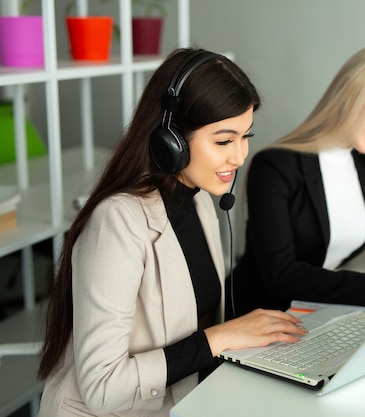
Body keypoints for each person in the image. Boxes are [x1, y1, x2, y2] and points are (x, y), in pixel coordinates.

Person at [36, 48, 307, 417]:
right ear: (171, 140)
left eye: (245, 136)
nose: (240, 156)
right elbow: (103, 389)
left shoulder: (198, 201)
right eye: (224, 141)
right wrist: (221, 338)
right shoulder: (117, 222)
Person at [229, 44, 365, 318]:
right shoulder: (274, 167)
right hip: (261, 318)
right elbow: (281, 275)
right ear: (354, 93)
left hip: (320, 313)